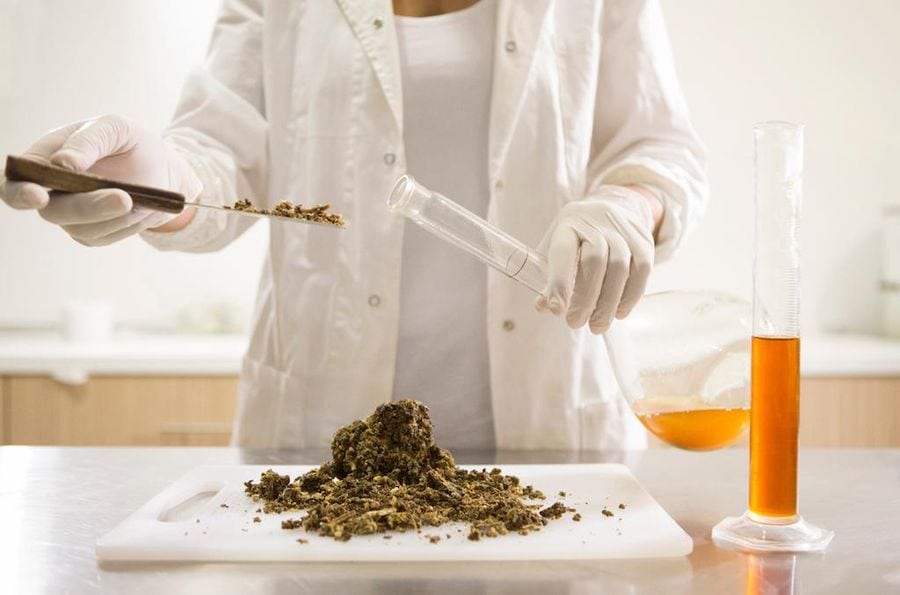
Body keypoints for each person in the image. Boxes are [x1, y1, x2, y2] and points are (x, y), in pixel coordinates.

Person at [0, 0, 706, 450]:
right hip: (322, 436)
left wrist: (627, 206)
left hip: (549, 434)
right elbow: (220, 158)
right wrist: (159, 178)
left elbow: (658, 144)